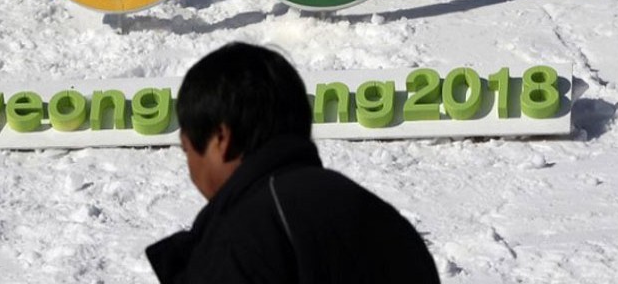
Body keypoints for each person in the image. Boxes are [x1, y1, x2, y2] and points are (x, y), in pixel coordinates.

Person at [146, 42, 440, 284]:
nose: (191, 171)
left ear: (221, 139)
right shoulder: (386, 223)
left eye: (187, 150)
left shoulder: (241, 240)